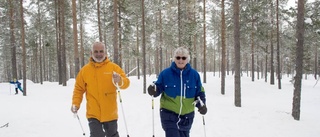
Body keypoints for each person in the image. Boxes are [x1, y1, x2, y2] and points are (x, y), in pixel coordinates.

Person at [71, 42, 130, 137]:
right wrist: (75, 104)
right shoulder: (85, 71)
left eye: (101, 51)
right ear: (91, 53)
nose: (99, 54)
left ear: (105, 52)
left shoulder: (113, 67)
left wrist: (120, 80)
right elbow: (79, 89)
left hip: (110, 112)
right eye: (96, 52)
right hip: (93, 113)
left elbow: (126, 83)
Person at [147, 47, 207, 137]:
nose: (180, 60)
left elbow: (199, 93)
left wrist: (201, 105)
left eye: (183, 58)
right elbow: (158, 87)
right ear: (174, 58)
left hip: (187, 116)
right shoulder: (166, 73)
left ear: (187, 59)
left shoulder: (194, 75)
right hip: (169, 114)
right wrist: (154, 90)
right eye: (178, 57)